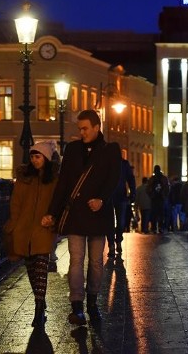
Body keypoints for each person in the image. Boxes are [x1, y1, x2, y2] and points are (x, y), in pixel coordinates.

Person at [44, 109, 121, 325]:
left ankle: (93, 303)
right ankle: (77, 306)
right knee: (76, 261)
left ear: (97, 127)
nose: (82, 132)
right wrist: (52, 211)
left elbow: (114, 178)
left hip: (98, 213)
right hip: (77, 213)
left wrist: (102, 200)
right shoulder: (73, 149)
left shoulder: (110, 150)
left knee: (96, 262)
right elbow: (64, 183)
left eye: (85, 128)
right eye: (80, 129)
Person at [3, 141, 59, 328]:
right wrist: (14, 223)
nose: (34, 160)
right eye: (32, 157)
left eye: (38, 156)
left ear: (46, 158)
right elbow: (16, 202)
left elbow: (59, 201)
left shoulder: (54, 179)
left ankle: (38, 309)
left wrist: (52, 218)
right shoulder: (25, 177)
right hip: (24, 230)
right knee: (32, 270)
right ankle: (40, 303)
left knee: (41, 268)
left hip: (44, 228)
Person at [108, 158, 136, 258]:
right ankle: (112, 244)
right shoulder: (109, 162)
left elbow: (131, 179)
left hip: (119, 197)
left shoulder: (123, 164)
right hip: (109, 197)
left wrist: (133, 193)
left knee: (120, 222)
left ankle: (118, 241)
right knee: (111, 222)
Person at [147, 165, 170, 233]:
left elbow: (148, 189)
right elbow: (167, 188)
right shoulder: (164, 178)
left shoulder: (152, 179)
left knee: (154, 214)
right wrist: (165, 196)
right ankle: (161, 227)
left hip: (154, 199)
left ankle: (154, 228)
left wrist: (151, 195)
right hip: (161, 198)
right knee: (161, 214)